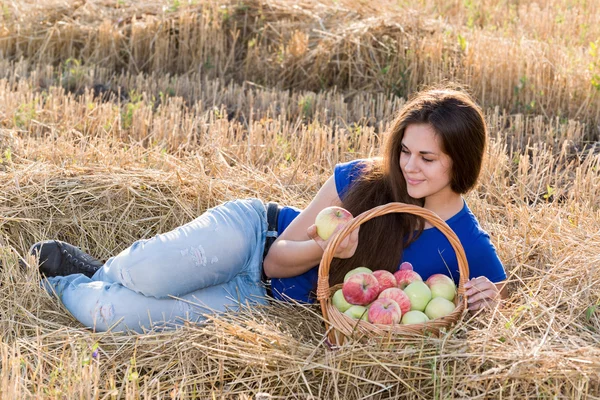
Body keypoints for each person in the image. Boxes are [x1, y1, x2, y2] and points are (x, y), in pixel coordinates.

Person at [30, 87, 507, 333]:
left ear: (460, 161)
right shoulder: (363, 178)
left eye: (427, 158)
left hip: (264, 301)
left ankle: (74, 279)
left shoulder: (468, 244)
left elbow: (503, 299)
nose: (408, 167)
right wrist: (326, 246)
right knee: (147, 273)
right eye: (405, 151)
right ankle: (111, 268)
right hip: (251, 239)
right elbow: (276, 259)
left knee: (114, 315)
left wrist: (490, 303)